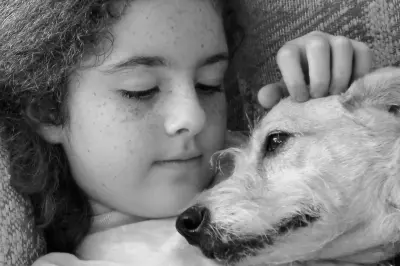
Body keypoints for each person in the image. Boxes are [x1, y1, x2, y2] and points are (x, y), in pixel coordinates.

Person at [0, 0, 372, 265]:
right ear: (50, 110)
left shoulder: (273, 183)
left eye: (210, 85)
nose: (193, 116)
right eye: (141, 89)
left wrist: (333, 103)